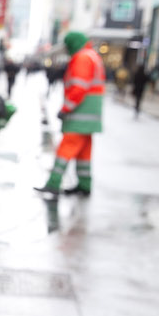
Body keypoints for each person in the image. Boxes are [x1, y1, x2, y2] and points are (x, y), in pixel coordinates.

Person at [36, 31, 105, 198]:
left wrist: (65, 108)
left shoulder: (82, 58)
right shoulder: (92, 55)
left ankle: (53, 183)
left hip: (80, 114)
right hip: (90, 114)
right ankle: (84, 184)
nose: (67, 49)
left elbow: (79, 87)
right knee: (84, 153)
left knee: (65, 149)